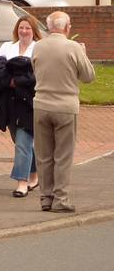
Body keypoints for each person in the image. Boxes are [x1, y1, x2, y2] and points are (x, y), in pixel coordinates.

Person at [31, 11, 95, 213]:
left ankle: (45, 198)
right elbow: (88, 76)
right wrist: (83, 54)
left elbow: (35, 71)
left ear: (49, 27)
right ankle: (61, 199)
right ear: (67, 27)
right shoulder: (73, 47)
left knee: (43, 155)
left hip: (41, 104)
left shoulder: (38, 46)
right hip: (65, 106)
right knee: (63, 156)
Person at [0, 15, 41, 197]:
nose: (24, 31)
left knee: (23, 143)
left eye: (28, 28)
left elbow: (40, 73)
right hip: (10, 101)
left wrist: (20, 81)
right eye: (21, 28)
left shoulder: (39, 48)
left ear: (34, 31)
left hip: (30, 102)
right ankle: (35, 175)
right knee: (21, 141)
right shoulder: (7, 47)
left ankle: (22, 183)